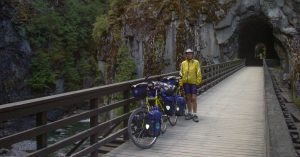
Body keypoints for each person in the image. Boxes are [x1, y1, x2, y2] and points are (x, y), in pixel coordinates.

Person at [179, 48, 202, 122]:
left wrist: (197, 82)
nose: (189, 55)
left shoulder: (196, 62)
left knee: (194, 98)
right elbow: (181, 73)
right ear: (186, 55)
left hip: (193, 83)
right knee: (188, 98)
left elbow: (198, 72)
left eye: (190, 53)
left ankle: (195, 114)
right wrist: (181, 83)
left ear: (192, 54)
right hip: (186, 83)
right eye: (188, 54)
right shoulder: (183, 63)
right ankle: (189, 113)